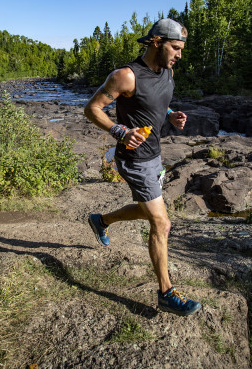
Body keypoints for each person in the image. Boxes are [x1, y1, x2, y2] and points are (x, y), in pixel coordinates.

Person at [84, 18, 201, 316]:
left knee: (145, 209)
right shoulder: (126, 76)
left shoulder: (168, 72)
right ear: (156, 42)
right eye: (175, 47)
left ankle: (101, 221)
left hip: (154, 156)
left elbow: (157, 105)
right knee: (161, 223)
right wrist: (120, 132)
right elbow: (92, 109)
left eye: (181, 49)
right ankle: (166, 292)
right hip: (134, 160)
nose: (179, 55)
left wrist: (171, 115)